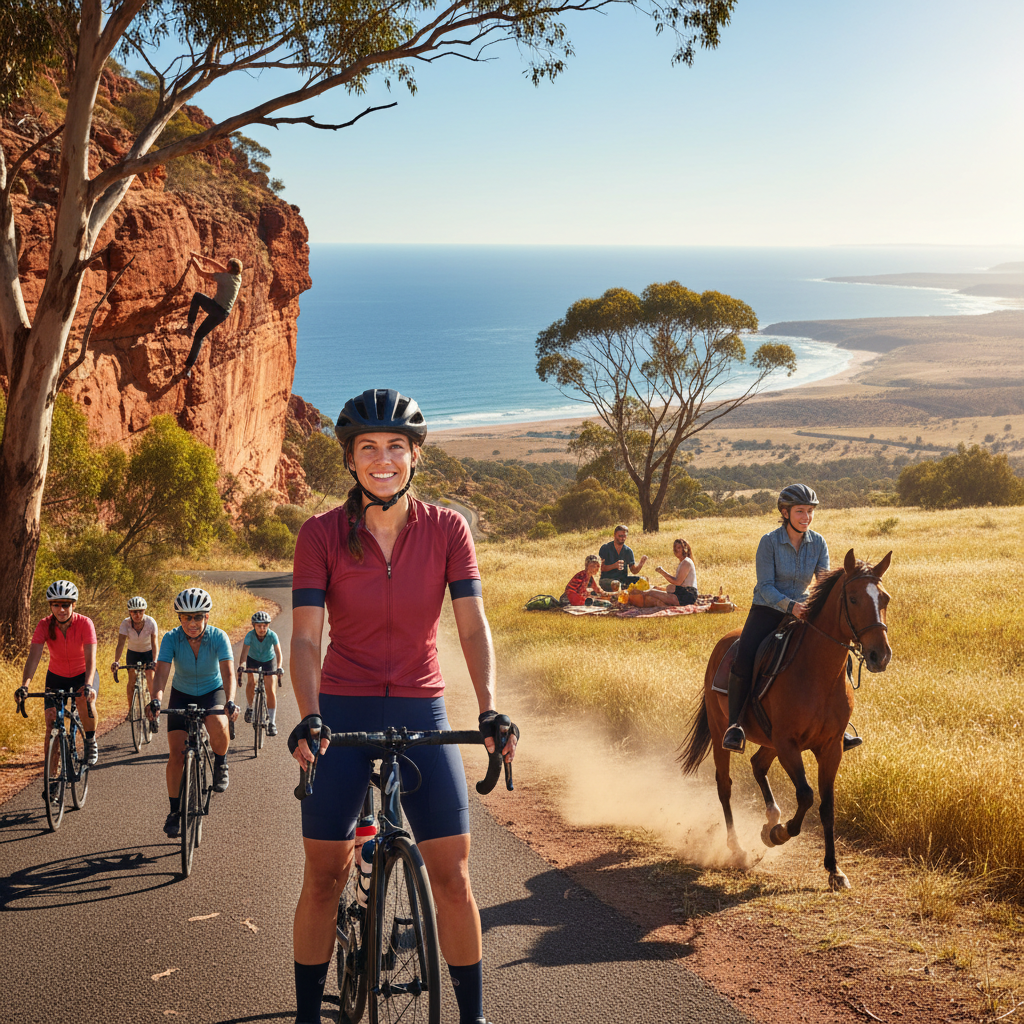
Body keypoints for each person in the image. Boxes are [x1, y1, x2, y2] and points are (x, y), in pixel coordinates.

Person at [288, 388, 517, 1024]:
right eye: (369, 448)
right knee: (324, 879)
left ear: (414, 456)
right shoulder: (321, 535)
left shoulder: (447, 530)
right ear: (351, 459)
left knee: (453, 877)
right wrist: (310, 714)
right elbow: (305, 637)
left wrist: (489, 708)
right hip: (341, 708)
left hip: (422, 707)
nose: (382, 459)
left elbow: (472, 626)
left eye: (395, 447)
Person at [721, 485, 862, 754]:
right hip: (768, 609)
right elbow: (765, 586)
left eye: (810, 511)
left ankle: (838, 727)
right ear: (785, 513)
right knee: (745, 657)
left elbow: (822, 583)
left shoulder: (818, 542)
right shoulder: (769, 542)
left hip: (806, 611)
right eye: (800, 511)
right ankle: (735, 726)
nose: (806, 517)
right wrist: (791, 606)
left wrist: (815, 607)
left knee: (838, 654)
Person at [146, 587, 239, 837]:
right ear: (180, 619)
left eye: (198, 617)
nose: (192, 623)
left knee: (219, 725)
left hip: (212, 691)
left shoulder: (219, 637)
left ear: (206, 617)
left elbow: (229, 673)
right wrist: (156, 699)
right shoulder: (171, 638)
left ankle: (220, 762)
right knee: (176, 754)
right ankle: (175, 811)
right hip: (182, 693)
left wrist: (229, 701)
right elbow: (163, 672)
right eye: (186, 617)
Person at [19, 582, 99, 797]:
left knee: (85, 701)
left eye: (65, 604)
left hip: (83, 673)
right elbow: (34, 656)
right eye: (56, 605)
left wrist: (89, 684)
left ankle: (90, 740)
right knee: (52, 723)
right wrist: (25, 685)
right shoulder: (44, 625)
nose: (61, 609)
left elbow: (91, 658)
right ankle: (53, 779)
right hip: (56, 676)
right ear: (50, 606)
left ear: (73, 604)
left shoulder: (85, 623)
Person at [180, 251, 243, 378]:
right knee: (199, 336)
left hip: (215, 308)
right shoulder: (237, 277)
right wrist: (202, 257)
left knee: (197, 297)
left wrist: (194, 261)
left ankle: (190, 324)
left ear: (230, 268)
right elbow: (219, 266)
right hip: (223, 314)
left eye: (227, 265)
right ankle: (188, 368)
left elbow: (201, 273)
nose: (225, 266)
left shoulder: (225, 278)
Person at [111, 595, 159, 730]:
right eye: (134, 612)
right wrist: (116, 661)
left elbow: (155, 643)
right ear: (129, 612)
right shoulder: (125, 623)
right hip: (133, 653)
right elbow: (120, 644)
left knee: (150, 678)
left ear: (144, 611)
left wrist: (154, 661)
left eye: (140, 611)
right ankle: (130, 710)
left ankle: (154, 708)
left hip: (148, 652)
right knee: (131, 680)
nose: (137, 615)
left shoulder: (151, 622)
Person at [238, 610, 284, 736]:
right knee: (251, 682)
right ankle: (250, 708)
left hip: (269, 660)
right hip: (252, 659)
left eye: (265, 625)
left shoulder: (272, 635)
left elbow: (279, 653)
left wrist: (279, 667)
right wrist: (242, 665)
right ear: (254, 626)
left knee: (270, 689)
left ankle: (272, 723)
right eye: (259, 626)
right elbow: (243, 654)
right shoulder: (249, 635)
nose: (262, 628)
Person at [598, 524, 648, 591]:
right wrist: (614, 566)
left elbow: (633, 571)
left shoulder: (628, 551)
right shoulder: (605, 548)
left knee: (643, 580)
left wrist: (641, 564)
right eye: (620, 536)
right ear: (614, 535)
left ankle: (628, 591)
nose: (622, 538)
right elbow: (601, 568)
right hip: (607, 579)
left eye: (624, 536)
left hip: (623, 579)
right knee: (616, 584)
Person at [656, 538, 699, 607]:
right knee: (667, 588)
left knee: (653, 593)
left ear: (684, 549)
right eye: (674, 548)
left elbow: (678, 582)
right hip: (683, 592)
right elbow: (678, 583)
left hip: (688, 596)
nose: (676, 550)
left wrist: (663, 572)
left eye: (679, 547)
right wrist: (660, 588)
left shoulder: (686, 562)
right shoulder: (682, 562)